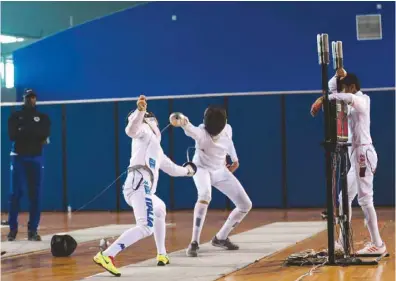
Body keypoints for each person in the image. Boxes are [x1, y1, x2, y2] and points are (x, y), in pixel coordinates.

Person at [93, 95, 197, 277]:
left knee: (160, 209)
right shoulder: (143, 131)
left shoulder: (156, 147)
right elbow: (130, 130)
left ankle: (162, 254)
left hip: (141, 185)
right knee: (145, 227)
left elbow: (172, 169)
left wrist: (189, 171)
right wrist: (140, 110)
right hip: (139, 181)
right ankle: (107, 255)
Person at [311, 69, 387, 255]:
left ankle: (378, 244)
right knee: (343, 199)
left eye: (345, 87)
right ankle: (343, 241)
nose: (342, 91)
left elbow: (343, 97)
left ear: (352, 87)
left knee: (365, 199)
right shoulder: (349, 98)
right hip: (355, 155)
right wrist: (337, 76)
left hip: (363, 154)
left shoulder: (362, 100)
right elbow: (332, 88)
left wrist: (323, 99)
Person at [172, 106, 252, 257]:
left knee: (245, 205)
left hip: (220, 170)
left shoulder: (227, 129)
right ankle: (194, 242)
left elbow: (229, 143)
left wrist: (235, 160)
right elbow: (189, 128)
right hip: (201, 169)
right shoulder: (201, 133)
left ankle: (220, 238)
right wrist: (182, 121)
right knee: (205, 195)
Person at [7, 89, 51, 241]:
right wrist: (32, 133)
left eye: (32, 97)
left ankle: (32, 230)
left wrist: (25, 131)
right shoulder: (15, 116)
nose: (30, 100)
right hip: (18, 157)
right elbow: (12, 135)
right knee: (15, 194)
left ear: (36, 99)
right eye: (27, 98)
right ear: (23, 99)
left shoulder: (43, 117)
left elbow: (44, 134)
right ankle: (12, 229)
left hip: (35, 157)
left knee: (35, 194)